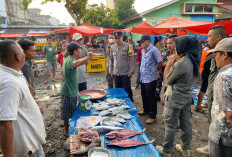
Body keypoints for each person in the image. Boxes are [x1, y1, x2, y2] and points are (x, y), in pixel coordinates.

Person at [156, 36, 202, 157]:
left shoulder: (182, 62)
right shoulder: (193, 59)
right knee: (186, 123)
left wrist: (171, 65)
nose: (176, 46)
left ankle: (166, 150)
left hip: (176, 98)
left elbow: (169, 79)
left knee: (170, 125)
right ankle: (185, 149)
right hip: (186, 96)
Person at [0, 40, 46, 157]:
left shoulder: (15, 74)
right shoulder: (9, 83)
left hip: (32, 142)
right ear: (18, 55)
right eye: (22, 51)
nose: (24, 54)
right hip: (27, 148)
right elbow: (4, 124)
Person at [196, 25, 227, 155]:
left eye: (209, 36)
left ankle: (216, 147)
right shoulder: (214, 51)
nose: (207, 38)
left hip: (220, 95)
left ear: (218, 37)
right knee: (213, 121)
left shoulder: (225, 53)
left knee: (221, 122)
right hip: (213, 91)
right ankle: (210, 145)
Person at [61, 42, 92, 136]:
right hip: (68, 92)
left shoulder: (67, 59)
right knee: (66, 113)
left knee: (71, 111)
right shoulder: (70, 61)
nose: (80, 51)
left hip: (71, 90)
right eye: (79, 49)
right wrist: (87, 57)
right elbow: (77, 63)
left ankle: (70, 128)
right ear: (74, 52)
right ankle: (66, 131)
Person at [207, 38, 232, 157]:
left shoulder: (223, 77)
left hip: (223, 135)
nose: (214, 57)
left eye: (216, 54)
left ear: (225, 54)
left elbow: (229, 113)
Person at [137, 35, 163, 124]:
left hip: (151, 78)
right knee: (144, 95)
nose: (141, 43)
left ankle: (153, 115)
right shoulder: (143, 51)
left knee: (151, 97)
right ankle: (146, 110)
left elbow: (160, 63)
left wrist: (155, 72)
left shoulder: (154, 50)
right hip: (143, 77)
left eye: (142, 42)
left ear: (148, 41)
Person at [109, 31, 135, 102]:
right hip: (116, 73)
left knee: (127, 89)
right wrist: (111, 71)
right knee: (118, 90)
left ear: (122, 37)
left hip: (125, 73)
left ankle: (130, 102)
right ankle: (120, 102)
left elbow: (132, 59)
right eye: (115, 38)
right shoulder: (112, 47)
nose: (117, 40)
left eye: (118, 38)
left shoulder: (128, 46)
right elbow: (111, 60)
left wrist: (131, 71)